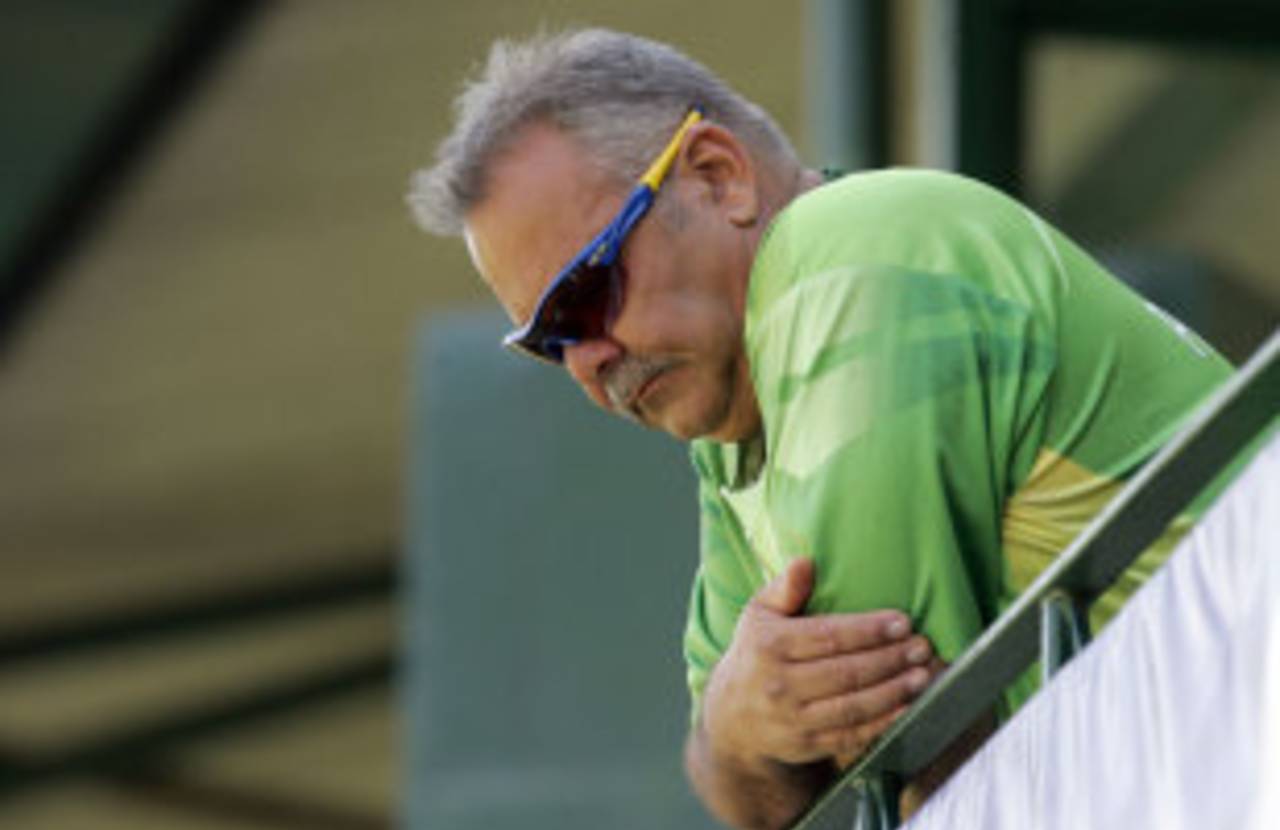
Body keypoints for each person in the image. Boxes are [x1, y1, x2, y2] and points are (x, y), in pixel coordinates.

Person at [408, 29, 1232, 829]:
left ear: (717, 176)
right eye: (551, 342)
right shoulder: (734, 434)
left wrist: (763, 744)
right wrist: (736, 733)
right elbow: (757, 787)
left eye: (584, 294)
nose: (590, 362)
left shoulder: (850, 248)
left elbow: (899, 737)